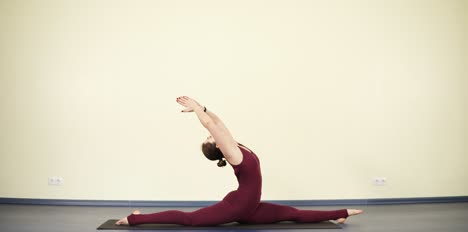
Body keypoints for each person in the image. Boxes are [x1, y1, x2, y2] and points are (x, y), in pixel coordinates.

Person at [116, 96, 363, 226]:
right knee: (190, 220)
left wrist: (202, 106)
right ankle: (134, 219)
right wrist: (198, 113)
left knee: (293, 213)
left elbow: (217, 122)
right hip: (239, 207)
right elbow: (211, 125)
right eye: (210, 138)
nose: (213, 134)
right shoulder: (234, 155)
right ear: (217, 147)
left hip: (247, 205)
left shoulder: (235, 145)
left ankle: (341, 214)